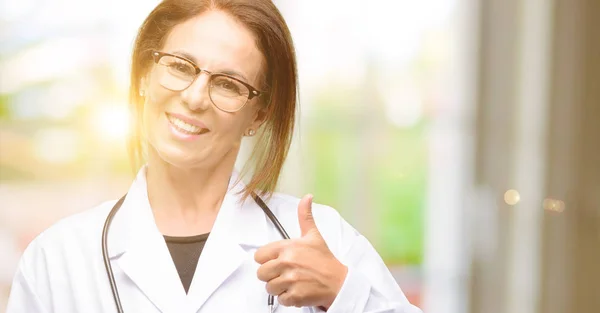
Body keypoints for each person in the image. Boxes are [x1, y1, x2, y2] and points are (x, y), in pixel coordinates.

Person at [6, 1, 422, 312]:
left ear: (258, 115)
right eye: (180, 66)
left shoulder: (323, 242)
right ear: (145, 78)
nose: (194, 97)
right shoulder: (58, 259)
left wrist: (342, 291)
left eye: (227, 84)